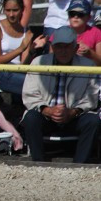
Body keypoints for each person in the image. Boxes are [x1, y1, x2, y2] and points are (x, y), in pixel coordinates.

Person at [21, 25, 101, 163]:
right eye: (59, 46)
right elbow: (29, 94)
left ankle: (80, 165)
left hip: (75, 115)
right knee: (30, 118)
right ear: (52, 47)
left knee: (92, 121)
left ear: (75, 48)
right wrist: (47, 110)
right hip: (46, 115)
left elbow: (91, 98)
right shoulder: (38, 63)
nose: (63, 51)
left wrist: (73, 112)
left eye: (67, 46)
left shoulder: (88, 66)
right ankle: (38, 163)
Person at [0, 0, 44, 97]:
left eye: (15, 10)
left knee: (43, 83)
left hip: (18, 72)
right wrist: (21, 48)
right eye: (8, 10)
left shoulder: (26, 32)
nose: (11, 14)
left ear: (22, 10)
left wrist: (31, 50)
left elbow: (23, 66)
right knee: (34, 86)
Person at [64, 0, 101, 65]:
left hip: (89, 74)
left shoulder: (97, 33)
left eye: (80, 14)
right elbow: (51, 59)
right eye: (72, 13)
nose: (75, 17)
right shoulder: (60, 32)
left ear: (89, 17)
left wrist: (90, 53)